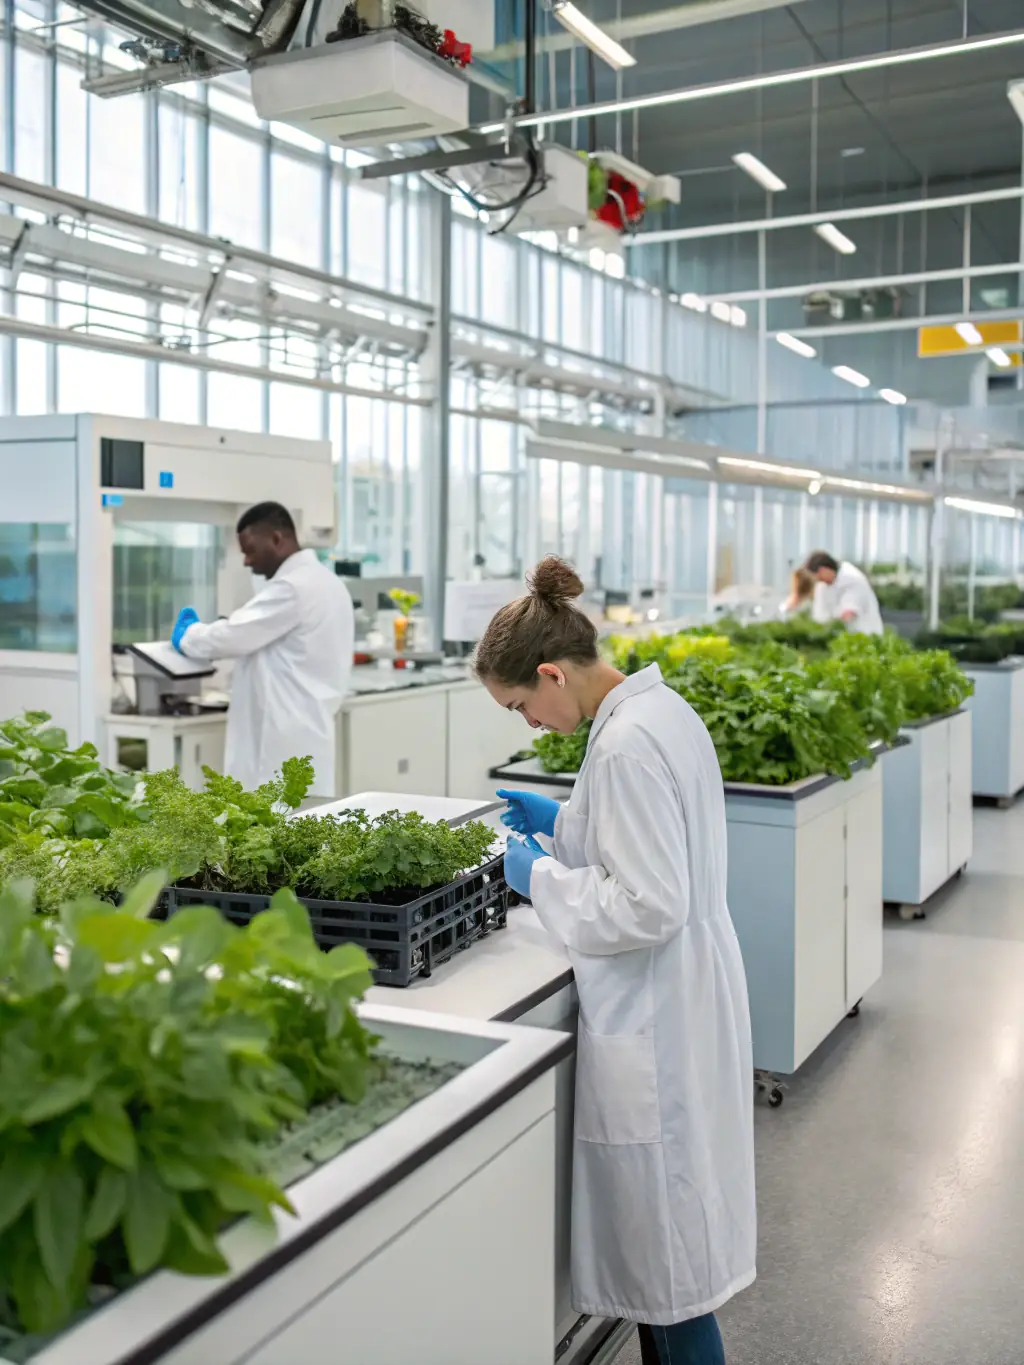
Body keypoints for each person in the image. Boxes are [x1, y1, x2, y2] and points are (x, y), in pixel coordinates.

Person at [479, 557, 756, 1365]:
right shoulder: (655, 712)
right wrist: (565, 822)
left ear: (551, 673)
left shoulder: (626, 745)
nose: (530, 725)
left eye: (521, 705)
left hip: (658, 1010)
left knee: (667, 1274)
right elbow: (646, 839)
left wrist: (539, 875)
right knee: (669, 1267)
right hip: (686, 990)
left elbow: (648, 902)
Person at [171, 502, 354, 796]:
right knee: (304, 816)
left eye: (251, 551)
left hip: (279, 737)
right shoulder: (327, 583)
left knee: (274, 816)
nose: (247, 562)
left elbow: (233, 636)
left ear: (277, 539)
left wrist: (188, 636)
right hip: (306, 727)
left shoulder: (293, 588)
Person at [804, 550, 884, 635]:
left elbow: (848, 614)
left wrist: (829, 628)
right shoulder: (822, 585)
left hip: (864, 634)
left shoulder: (852, 579)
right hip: (839, 635)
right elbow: (819, 615)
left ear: (823, 570)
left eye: (819, 577)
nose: (819, 580)